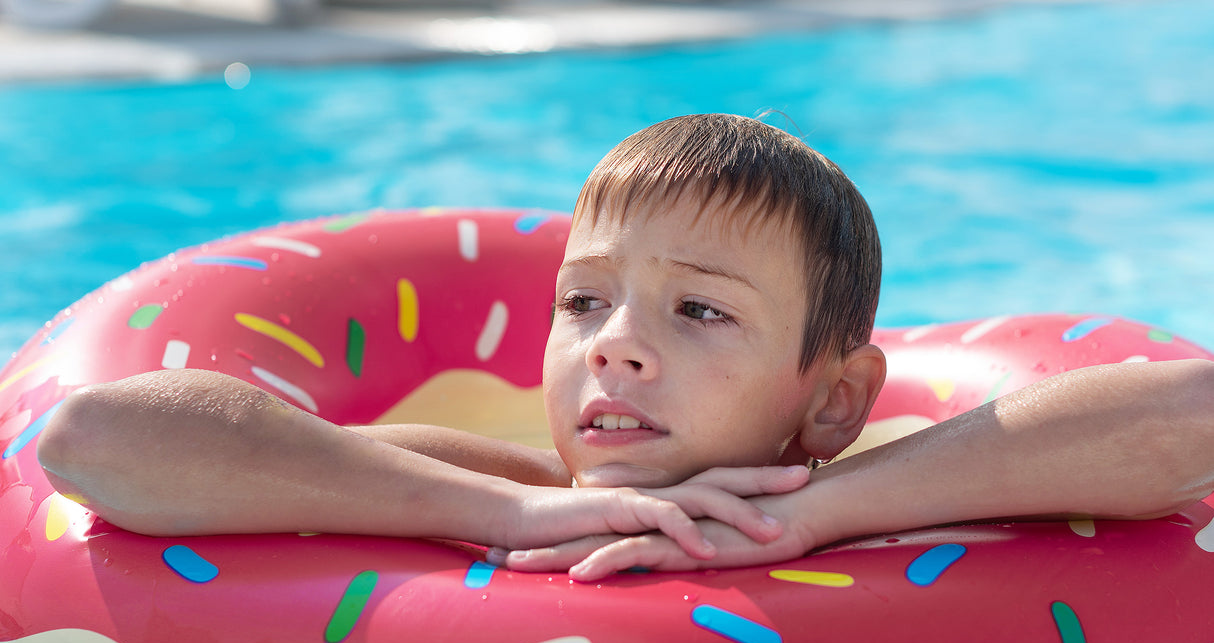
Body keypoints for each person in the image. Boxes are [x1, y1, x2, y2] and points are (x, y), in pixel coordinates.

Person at [36, 114, 1214, 582]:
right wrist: (506, 518)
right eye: (583, 302)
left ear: (835, 398)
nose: (615, 349)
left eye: (697, 312)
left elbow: (1193, 416)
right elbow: (96, 438)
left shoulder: (873, 481)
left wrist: (821, 511)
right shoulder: (504, 484)